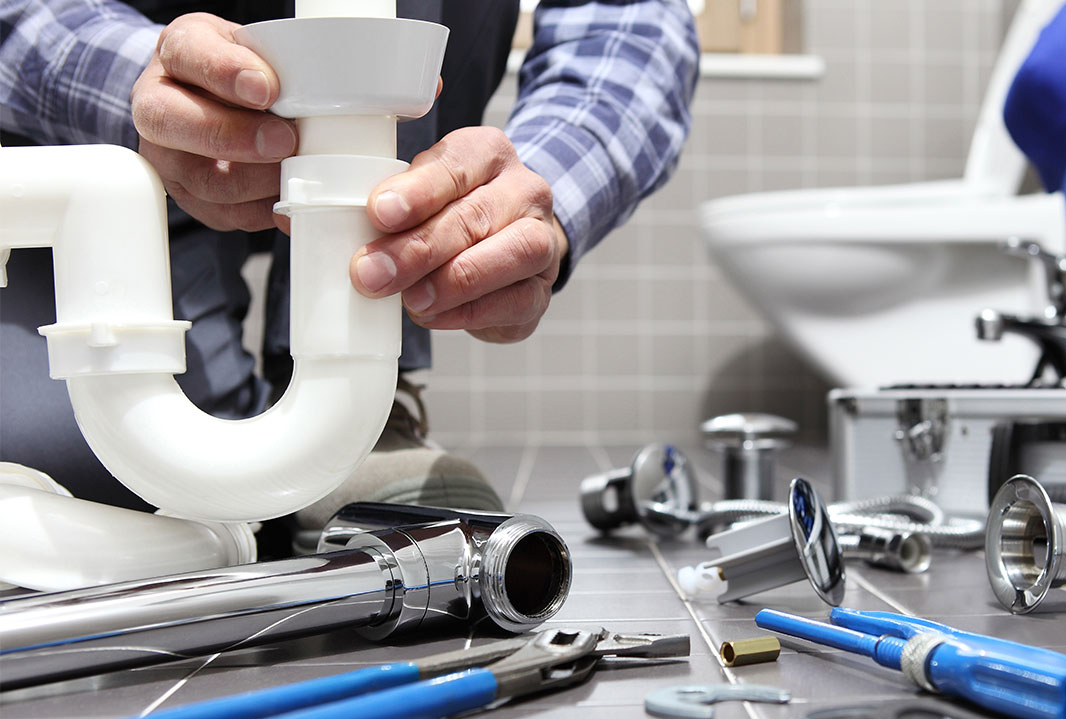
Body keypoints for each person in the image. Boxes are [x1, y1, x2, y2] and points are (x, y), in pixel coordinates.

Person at [0, 0, 698, 539]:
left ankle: (358, 406)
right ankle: (251, 411)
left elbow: (628, 22)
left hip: (381, 148)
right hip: (90, 136)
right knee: (63, 452)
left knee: (183, 486)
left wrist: (526, 196)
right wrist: (144, 89)